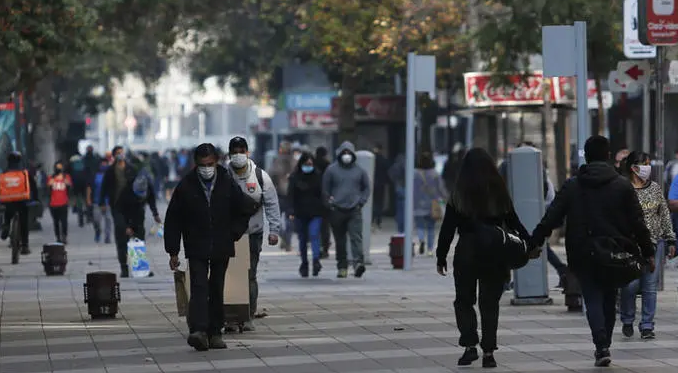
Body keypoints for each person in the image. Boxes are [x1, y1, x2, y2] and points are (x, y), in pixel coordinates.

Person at [529, 136, 654, 367]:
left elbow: (552, 217)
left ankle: (601, 345)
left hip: (582, 251)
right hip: (615, 251)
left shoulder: (573, 185)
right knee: (609, 297)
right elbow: (638, 222)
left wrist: (534, 241)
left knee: (592, 296)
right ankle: (604, 342)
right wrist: (648, 252)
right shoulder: (622, 185)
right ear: (608, 156)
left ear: (586, 156)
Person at [436, 148, 530, 368]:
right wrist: (530, 243)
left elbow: (448, 228)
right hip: (495, 250)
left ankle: (469, 345)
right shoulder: (499, 190)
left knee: (464, 300)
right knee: (489, 303)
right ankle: (489, 352)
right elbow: (514, 221)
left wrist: (441, 256)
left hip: (467, 250)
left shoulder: (459, 192)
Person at [164, 143, 257, 351]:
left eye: (210, 164)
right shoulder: (186, 186)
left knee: (216, 288)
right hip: (196, 245)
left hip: (221, 245)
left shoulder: (226, 181)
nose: (207, 168)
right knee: (198, 287)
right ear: (196, 164)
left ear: (216, 162)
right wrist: (173, 251)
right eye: (202, 164)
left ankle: (215, 332)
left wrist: (234, 232)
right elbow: (173, 219)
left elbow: (245, 208)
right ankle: (198, 330)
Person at [225, 136, 281, 332]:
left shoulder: (260, 176)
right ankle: (230, 318)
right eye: (234, 151)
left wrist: (274, 230)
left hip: (252, 234)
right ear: (229, 154)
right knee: (229, 276)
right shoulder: (223, 175)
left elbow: (272, 204)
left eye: (242, 151)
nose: (238, 155)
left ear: (247, 153)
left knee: (250, 276)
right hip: (229, 236)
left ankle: (248, 315)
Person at [619, 151, 676, 339]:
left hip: (654, 243)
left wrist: (670, 239)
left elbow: (664, 215)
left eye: (649, 163)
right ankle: (627, 319)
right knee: (630, 285)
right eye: (645, 163)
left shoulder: (655, 189)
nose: (648, 167)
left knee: (650, 286)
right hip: (630, 245)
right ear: (634, 167)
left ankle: (647, 325)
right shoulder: (623, 189)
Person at [100, 146, 161, 278]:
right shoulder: (126, 193)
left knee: (139, 240)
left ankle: (140, 267)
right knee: (122, 241)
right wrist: (126, 227)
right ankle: (124, 268)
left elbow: (151, 200)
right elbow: (119, 210)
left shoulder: (145, 184)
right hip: (120, 211)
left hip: (138, 214)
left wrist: (155, 214)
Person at [322, 141, 371, 278]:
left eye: (349, 153)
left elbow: (366, 188)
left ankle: (358, 263)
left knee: (356, 238)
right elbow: (325, 189)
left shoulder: (360, 171)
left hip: (354, 209)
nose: (346, 155)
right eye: (344, 153)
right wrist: (329, 203)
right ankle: (342, 266)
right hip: (337, 210)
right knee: (340, 240)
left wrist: (361, 201)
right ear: (340, 154)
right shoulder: (331, 170)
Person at [288, 152, 325, 277]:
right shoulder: (295, 177)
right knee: (302, 239)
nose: (308, 166)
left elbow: (322, 194)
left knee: (314, 235)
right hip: (300, 213)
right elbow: (291, 196)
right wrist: (291, 211)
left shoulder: (318, 176)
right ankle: (304, 263)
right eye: (306, 164)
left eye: (310, 164)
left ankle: (315, 260)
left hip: (315, 212)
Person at [0, 151, 38, 258]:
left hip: (8, 200)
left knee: (8, 213)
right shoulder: (25, 173)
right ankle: (25, 246)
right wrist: (36, 199)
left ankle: (6, 225)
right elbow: (33, 187)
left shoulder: (4, 174)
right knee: (24, 222)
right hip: (22, 201)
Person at [414, 151, 447, 255]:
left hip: (417, 204)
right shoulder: (435, 174)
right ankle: (429, 250)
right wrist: (446, 198)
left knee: (419, 225)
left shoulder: (415, 173)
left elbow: (411, 189)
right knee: (431, 228)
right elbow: (441, 188)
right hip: (432, 204)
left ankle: (421, 240)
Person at [269, 141, 296, 251]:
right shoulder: (291, 162)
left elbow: (270, 176)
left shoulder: (289, 162)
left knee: (284, 221)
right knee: (284, 221)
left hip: (285, 195)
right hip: (284, 195)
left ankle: (286, 240)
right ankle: (286, 240)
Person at [47, 161, 73, 244]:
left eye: (60, 167)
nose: (58, 169)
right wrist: (49, 184)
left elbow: (70, 187)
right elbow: (47, 189)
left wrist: (67, 183)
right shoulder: (51, 178)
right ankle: (58, 237)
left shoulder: (66, 177)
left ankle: (64, 236)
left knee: (64, 221)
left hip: (63, 203)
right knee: (56, 222)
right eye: (57, 167)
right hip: (53, 204)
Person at [87, 157, 111, 243]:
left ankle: (107, 237)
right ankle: (98, 231)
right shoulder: (94, 175)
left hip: (108, 201)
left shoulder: (110, 175)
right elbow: (89, 188)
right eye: (102, 163)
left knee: (108, 219)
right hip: (96, 201)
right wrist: (88, 199)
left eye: (105, 163)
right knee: (96, 220)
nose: (104, 165)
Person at [315, 146, 332, 258]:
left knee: (315, 225)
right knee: (325, 226)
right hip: (325, 199)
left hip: (314, 200)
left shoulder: (312, 164)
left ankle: (317, 247)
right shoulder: (329, 166)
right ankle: (325, 247)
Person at [372, 143, 389, 230]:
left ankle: (371, 220)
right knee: (379, 203)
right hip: (381, 184)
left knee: (372, 202)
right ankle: (378, 221)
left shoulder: (371, 159)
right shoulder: (383, 160)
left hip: (372, 183)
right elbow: (387, 171)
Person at [388, 153, 406, 233]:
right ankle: (405, 226)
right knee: (405, 208)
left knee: (399, 209)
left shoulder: (395, 166)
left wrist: (395, 181)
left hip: (398, 187)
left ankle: (400, 228)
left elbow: (390, 174)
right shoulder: (406, 165)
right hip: (405, 188)